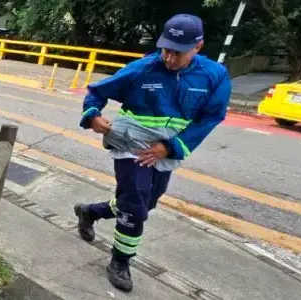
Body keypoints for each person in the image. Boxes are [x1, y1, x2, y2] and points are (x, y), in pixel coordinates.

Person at [73, 14, 231, 292]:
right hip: (129, 145)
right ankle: (120, 261)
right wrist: (93, 116)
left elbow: (211, 117)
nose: (169, 58)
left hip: (165, 150)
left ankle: (90, 212)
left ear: (198, 46)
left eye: (177, 53)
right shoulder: (143, 68)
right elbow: (96, 93)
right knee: (135, 206)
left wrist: (169, 148)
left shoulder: (214, 76)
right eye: (165, 49)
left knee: (146, 204)